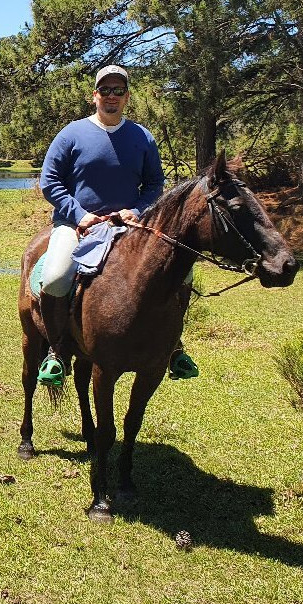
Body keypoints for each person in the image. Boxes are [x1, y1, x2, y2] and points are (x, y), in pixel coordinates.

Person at [36, 65, 198, 386]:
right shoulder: (71, 134)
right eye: (105, 90)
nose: (111, 96)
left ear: (127, 97)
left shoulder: (142, 137)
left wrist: (137, 210)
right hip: (78, 223)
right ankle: (57, 351)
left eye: (118, 91)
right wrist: (79, 214)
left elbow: (154, 185)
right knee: (55, 276)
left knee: (183, 273)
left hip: (129, 225)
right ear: (94, 95)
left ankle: (172, 347)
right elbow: (49, 181)